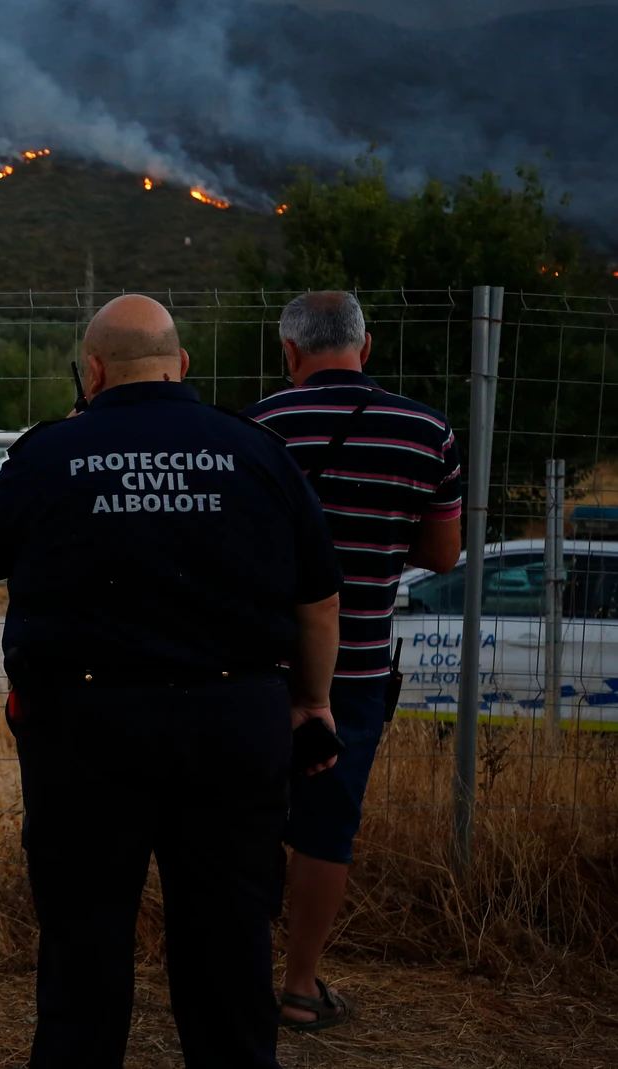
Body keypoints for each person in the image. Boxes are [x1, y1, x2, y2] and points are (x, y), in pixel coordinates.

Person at [0, 294, 344, 1069]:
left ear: (94, 371)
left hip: (84, 731)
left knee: (84, 938)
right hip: (234, 723)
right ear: (184, 366)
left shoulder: (48, 452)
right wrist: (310, 703)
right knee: (230, 939)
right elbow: (320, 599)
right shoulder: (256, 451)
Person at [242, 291, 462, 1031]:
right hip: (359, 671)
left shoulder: (260, 428)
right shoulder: (427, 430)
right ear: (367, 349)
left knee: (242, 822)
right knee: (326, 829)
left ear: (290, 353)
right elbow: (442, 553)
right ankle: (300, 986)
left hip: (256, 669)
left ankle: (234, 976)